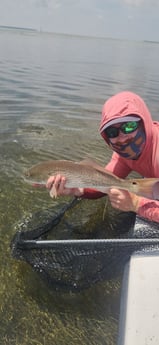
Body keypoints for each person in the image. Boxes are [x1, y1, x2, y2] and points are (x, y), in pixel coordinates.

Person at [46, 91, 159, 223]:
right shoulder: (123, 155)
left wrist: (136, 204)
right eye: (112, 132)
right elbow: (104, 185)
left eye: (129, 126)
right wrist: (78, 189)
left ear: (144, 123)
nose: (122, 138)